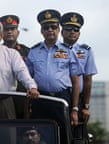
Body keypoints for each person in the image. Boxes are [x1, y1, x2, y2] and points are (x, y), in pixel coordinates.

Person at [25, 9, 83, 143]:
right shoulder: (33, 52)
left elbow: (76, 82)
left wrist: (75, 109)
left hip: (61, 99)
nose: (50, 30)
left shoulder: (69, 51)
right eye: (46, 27)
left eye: (54, 27)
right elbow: (28, 80)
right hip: (41, 99)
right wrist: (27, 107)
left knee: (64, 136)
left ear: (58, 30)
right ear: (41, 31)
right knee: (40, 138)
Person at [60, 12, 98, 140]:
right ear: (62, 32)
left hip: (79, 99)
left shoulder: (86, 51)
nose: (72, 32)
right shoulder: (55, 50)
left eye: (76, 29)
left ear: (79, 33)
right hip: (60, 96)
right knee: (59, 133)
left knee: (77, 135)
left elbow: (88, 80)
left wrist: (86, 106)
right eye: (68, 29)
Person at [0, 14, 31, 119]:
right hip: (3, 97)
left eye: (12, 29)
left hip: (23, 97)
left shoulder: (28, 51)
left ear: (18, 32)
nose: (9, 32)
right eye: (6, 29)